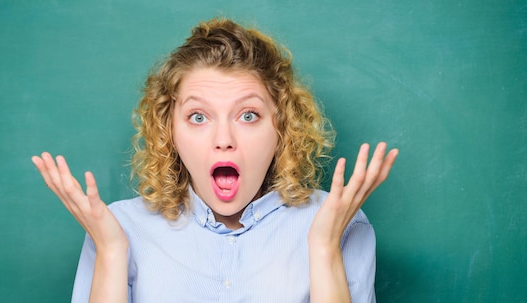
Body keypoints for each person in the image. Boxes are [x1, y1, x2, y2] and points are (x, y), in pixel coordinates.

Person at [32, 17, 398, 303]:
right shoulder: (118, 227)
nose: (223, 140)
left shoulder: (339, 222)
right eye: (198, 117)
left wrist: (323, 247)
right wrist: (111, 251)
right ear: (169, 130)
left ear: (282, 127)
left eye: (248, 115)